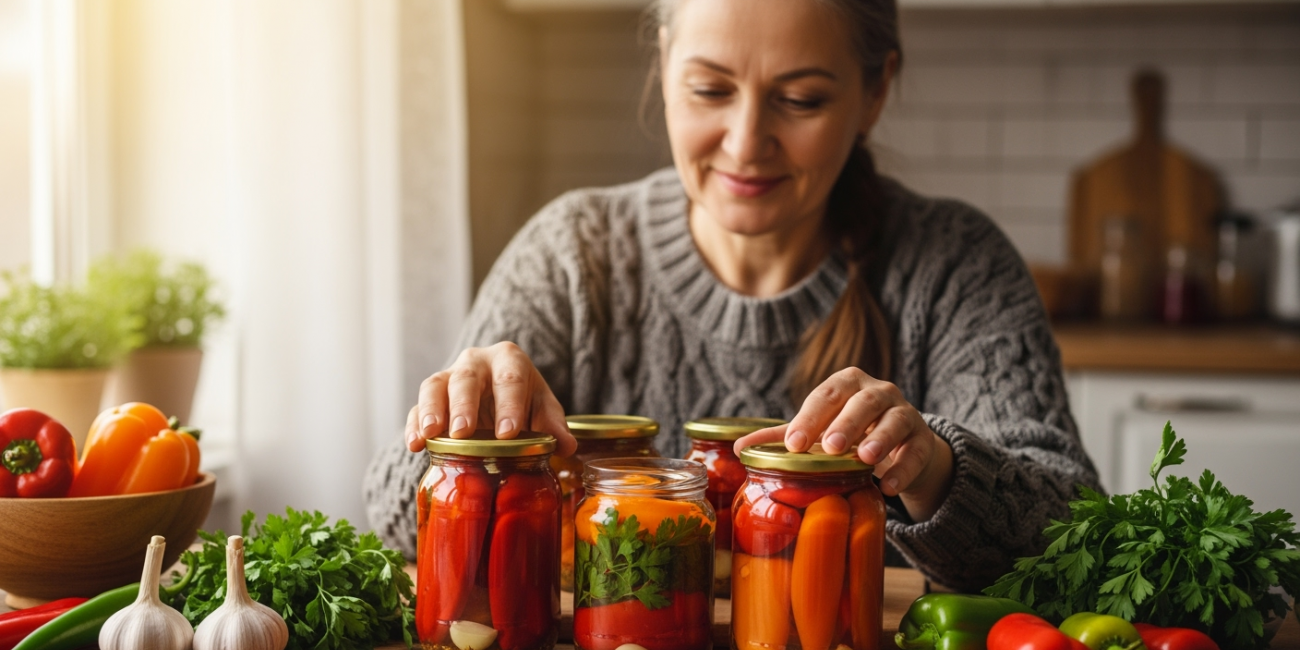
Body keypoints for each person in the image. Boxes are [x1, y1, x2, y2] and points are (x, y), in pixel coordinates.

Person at [363, 0, 1097, 592]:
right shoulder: (571, 256)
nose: (746, 142)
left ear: (875, 92)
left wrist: (932, 467)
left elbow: (1081, 538)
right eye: (711, 90)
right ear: (663, 66)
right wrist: (464, 428)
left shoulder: (957, 265)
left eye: (801, 100)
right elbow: (396, 516)